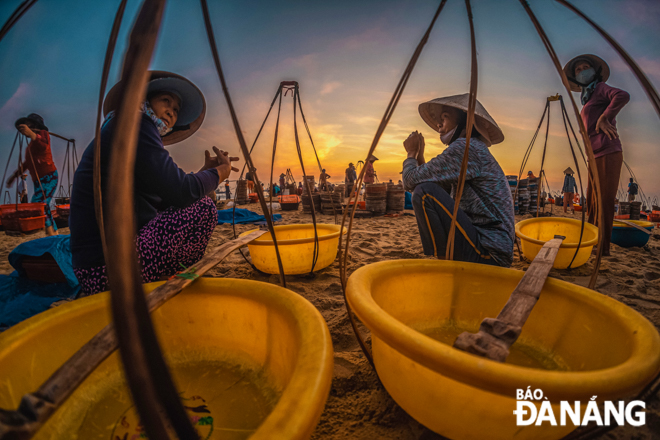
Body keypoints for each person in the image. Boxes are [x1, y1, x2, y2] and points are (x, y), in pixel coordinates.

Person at [69, 71, 239, 296]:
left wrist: (204, 173)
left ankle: (160, 275)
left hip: (93, 273)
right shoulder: (135, 123)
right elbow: (181, 192)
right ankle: (171, 275)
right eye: (165, 101)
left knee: (197, 202)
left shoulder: (125, 129)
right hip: (109, 272)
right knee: (204, 209)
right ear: (144, 100)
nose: (171, 111)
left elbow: (168, 198)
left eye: (176, 110)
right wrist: (220, 172)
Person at [402, 93, 514, 267]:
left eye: (445, 118)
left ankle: (441, 260)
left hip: (490, 252)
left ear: (465, 121)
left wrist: (410, 154)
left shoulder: (466, 147)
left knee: (424, 194)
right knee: (426, 190)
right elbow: (439, 190)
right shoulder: (473, 148)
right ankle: (444, 257)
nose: (439, 124)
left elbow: (410, 181)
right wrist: (420, 156)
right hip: (485, 244)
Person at [564, 54, 629, 256]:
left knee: (604, 200)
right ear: (576, 78)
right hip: (594, 155)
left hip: (608, 149)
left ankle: (602, 248)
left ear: (595, 72)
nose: (582, 71)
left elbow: (622, 95)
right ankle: (592, 243)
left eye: (586, 67)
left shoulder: (600, 88)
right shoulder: (588, 98)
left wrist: (604, 117)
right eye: (578, 70)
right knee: (592, 201)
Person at [6, 113, 59, 235]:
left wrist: (32, 134)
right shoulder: (29, 147)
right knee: (43, 206)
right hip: (38, 181)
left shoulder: (43, 135)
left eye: (29, 125)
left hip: (49, 176)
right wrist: (14, 177)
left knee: (38, 204)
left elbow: (44, 146)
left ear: (35, 126)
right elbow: (26, 164)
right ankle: (53, 233)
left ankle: (51, 234)